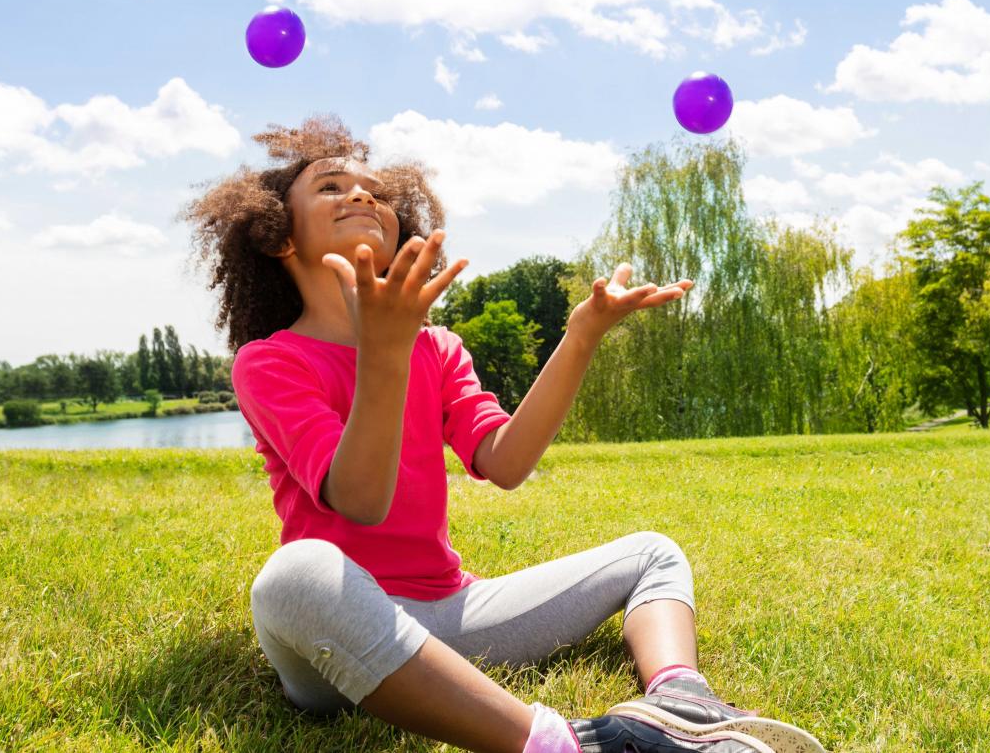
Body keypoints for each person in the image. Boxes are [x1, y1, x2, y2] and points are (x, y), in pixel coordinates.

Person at [184, 116, 825, 753]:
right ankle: (574, 745)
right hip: (336, 640)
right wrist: (384, 355)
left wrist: (580, 338)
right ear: (277, 238)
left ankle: (683, 701)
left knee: (653, 553)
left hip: (450, 617)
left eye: (377, 192)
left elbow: (506, 460)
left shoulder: (436, 348)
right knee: (293, 576)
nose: (362, 196)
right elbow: (359, 500)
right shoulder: (270, 362)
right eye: (330, 187)